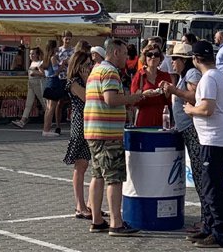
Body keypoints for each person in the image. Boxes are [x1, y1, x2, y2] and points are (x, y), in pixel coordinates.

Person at [84, 38, 150, 236]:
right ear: (115, 53)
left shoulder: (96, 70)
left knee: (97, 175)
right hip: (107, 133)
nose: (126, 58)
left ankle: (97, 219)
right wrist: (133, 98)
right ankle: (116, 223)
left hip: (93, 131)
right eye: (124, 54)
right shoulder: (110, 71)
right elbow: (110, 99)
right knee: (114, 177)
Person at [184, 40, 223, 248]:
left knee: (213, 189)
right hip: (217, 138)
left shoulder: (208, 79)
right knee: (211, 187)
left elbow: (207, 109)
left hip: (215, 139)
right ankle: (208, 227)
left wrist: (190, 110)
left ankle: (220, 233)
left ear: (195, 59)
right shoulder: (218, 75)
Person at [161, 43, 207, 234]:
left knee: (199, 174)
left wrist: (174, 91)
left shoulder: (191, 74)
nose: (172, 62)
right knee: (198, 174)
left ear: (183, 60)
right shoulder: (183, 76)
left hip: (192, 129)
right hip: (185, 128)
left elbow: (195, 98)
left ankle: (207, 219)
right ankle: (206, 217)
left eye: (175, 59)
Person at [63, 50, 94, 219]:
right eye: (87, 64)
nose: (90, 67)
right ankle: (80, 205)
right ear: (79, 65)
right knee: (80, 165)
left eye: (90, 64)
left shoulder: (85, 80)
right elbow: (87, 97)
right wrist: (85, 78)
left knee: (85, 163)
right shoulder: (74, 82)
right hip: (79, 124)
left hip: (89, 122)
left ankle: (89, 204)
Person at [130, 45, 173, 127]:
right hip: (144, 119)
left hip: (162, 119)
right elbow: (132, 101)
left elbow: (169, 101)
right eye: (149, 55)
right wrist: (144, 94)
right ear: (145, 58)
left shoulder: (165, 76)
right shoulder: (139, 76)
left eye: (156, 55)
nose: (153, 57)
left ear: (160, 58)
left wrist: (167, 93)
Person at [13, 46, 46, 129]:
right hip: (31, 84)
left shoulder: (40, 63)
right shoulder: (32, 63)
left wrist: (35, 73)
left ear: (37, 55)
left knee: (44, 103)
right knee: (28, 103)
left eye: (33, 54)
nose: (31, 55)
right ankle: (22, 121)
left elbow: (43, 74)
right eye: (30, 54)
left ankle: (49, 120)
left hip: (37, 83)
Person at [42, 38, 63, 137]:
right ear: (53, 47)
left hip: (48, 81)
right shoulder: (53, 57)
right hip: (54, 82)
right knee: (51, 108)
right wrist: (63, 65)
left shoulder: (46, 57)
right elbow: (56, 71)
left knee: (48, 108)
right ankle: (47, 130)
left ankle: (45, 129)